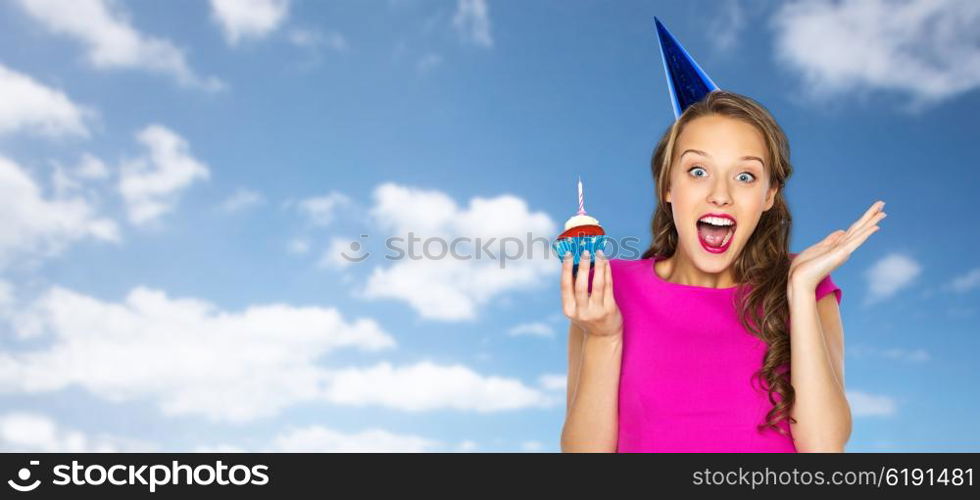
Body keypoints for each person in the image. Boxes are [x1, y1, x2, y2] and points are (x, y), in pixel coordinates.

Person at [559, 90, 886, 452]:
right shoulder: (607, 288)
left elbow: (823, 448)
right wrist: (604, 338)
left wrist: (800, 292)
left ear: (768, 196)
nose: (720, 195)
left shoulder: (808, 286)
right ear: (668, 186)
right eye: (698, 171)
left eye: (745, 176)